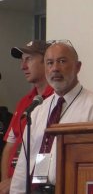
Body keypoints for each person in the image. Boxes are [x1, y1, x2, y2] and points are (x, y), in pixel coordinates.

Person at [9, 40, 93, 194]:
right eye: (50, 63)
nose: (55, 69)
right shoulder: (39, 110)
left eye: (62, 61)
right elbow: (23, 165)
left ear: (78, 67)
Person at [0, 41, 54, 194]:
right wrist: (5, 181)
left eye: (28, 59)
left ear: (45, 62)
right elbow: (10, 145)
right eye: (21, 60)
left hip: (35, 187)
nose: (22, 66)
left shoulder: (57, 100)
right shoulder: (24, 102)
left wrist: (21, 180)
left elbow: (48, 148)